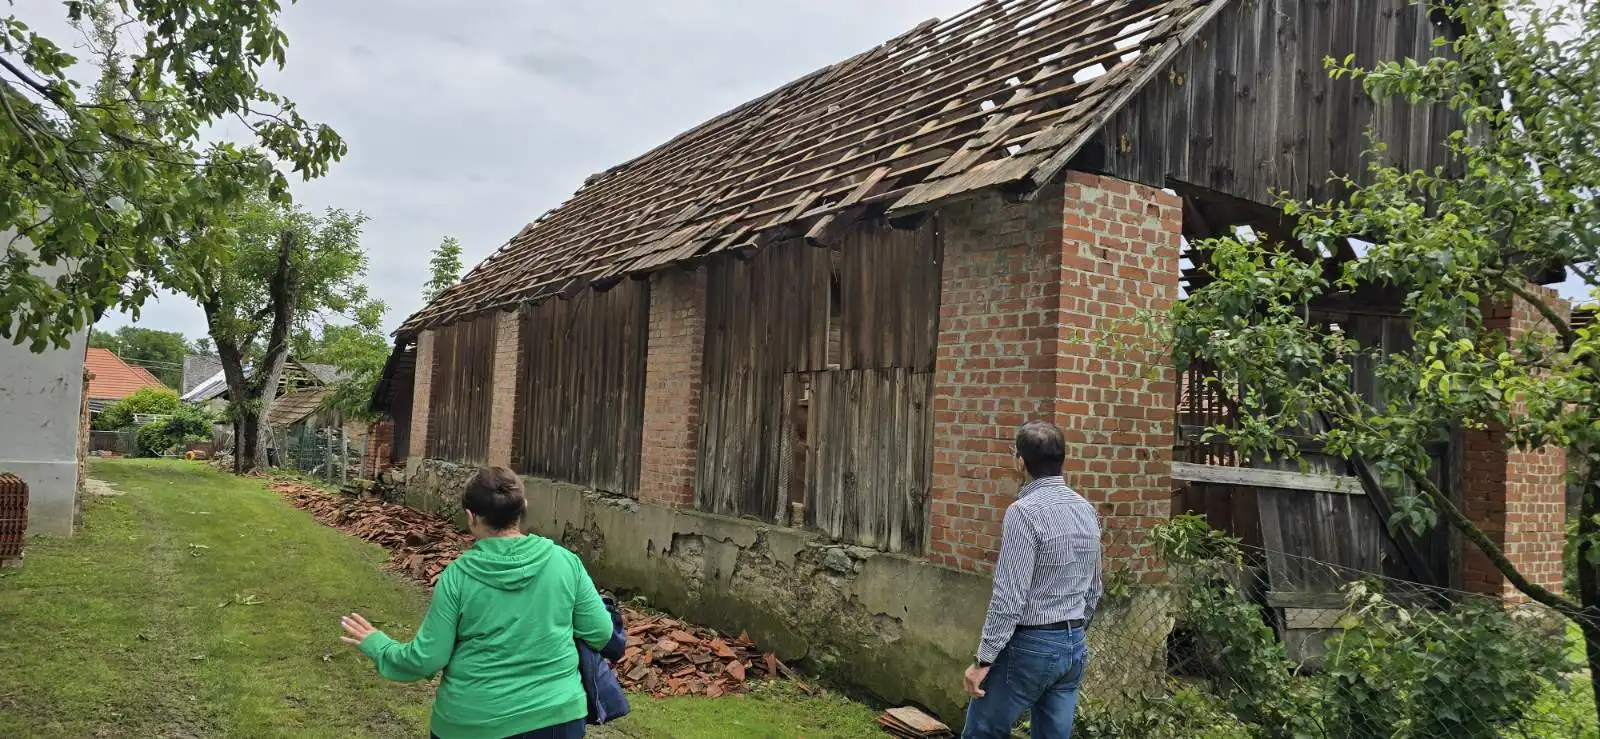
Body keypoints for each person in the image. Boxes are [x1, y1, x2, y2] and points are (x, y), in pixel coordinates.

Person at [339, 467, 614, 739]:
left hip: (473, 723)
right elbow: (601, 632)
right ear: (522, 508)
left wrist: (379, 645)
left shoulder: (457, 577)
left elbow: (427, 659)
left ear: (471, 517)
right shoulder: (565, 562)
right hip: (559, 719)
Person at [961, 421, 1103, 739]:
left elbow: (1009, 597)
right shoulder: (1087, 510)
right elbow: (1094, 589)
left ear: (1021, 462)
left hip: (1031, 646)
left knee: (982, 732)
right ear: (1061, 459)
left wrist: (984, 659)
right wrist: (1073, 634)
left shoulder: (1024, 513)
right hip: (1074, 645)